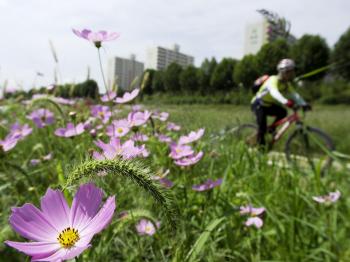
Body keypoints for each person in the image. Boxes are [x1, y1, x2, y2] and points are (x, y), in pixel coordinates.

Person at [251, 58, 310, 146]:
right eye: (289, 72)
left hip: (268, 105)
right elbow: (274, 92)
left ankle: (272, 129)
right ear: (283, 72)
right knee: (262, 128)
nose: (292, 74)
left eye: (292, 71)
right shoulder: (273, 80)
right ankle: (261, 150)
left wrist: (304, 104)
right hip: (258, 104)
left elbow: (294, 94)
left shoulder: (285, 84)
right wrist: (286, 102)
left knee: (283, 112)